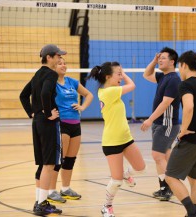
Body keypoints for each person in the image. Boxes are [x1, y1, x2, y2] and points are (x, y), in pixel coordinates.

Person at [87, 62, 146, 217]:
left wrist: (119, 71)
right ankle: (107, 206)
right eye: (118, 74)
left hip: (126, 138)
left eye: (121, 74)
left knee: (140, 167)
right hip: (112, 142)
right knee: (116, 180)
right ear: (108, 77)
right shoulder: (109, 92)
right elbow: (132, 85)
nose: (121, 76)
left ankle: (127, 174)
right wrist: (125, 73)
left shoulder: (109, 90)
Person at [20, 44, 66, 216]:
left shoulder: (37, 75)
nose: (59, 59)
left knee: (42, 164)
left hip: (37, 122)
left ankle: (38, 201)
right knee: (49, 164)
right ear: (49, 57)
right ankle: (42, 204)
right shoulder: (51, 74)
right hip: (47, 123)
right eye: (57, 56)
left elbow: (23, 95)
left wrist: (32, 112)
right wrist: (48, 113)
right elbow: (46, 93)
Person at [165, 50, 196, 217]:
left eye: (179, 66)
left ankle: (192, 213)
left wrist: (183, 130)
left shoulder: (185, 85)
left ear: (184, 65)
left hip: (191, 139)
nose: (179, 70)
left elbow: (189, 107)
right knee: (194, 179)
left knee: (170, 176)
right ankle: (193, 213)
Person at [47, 58, 93, 203]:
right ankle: (51, 191)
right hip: (61, 123)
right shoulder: (52, 83)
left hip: (75, 124)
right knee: (59, 159)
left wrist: (83, 107)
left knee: (71, 159)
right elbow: (42, 98)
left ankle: (65, 188)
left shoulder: (72, 82)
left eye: (65, 63)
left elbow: (89, 95)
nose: (64, 65)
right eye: (60, 63)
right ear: (54, 66)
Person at [140, 47, 181, 201]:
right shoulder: (163, 76)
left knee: (157, 155)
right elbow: (146, 74)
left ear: (172, 62)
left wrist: (149, 119)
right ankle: (164, 187)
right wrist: (154, 60)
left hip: (167, 123)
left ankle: (173, 185)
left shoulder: (174, 80)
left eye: (163, 58)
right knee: (163, 156)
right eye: (160, 58)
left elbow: (166, 103)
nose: (160, 60)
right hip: (160, 122)